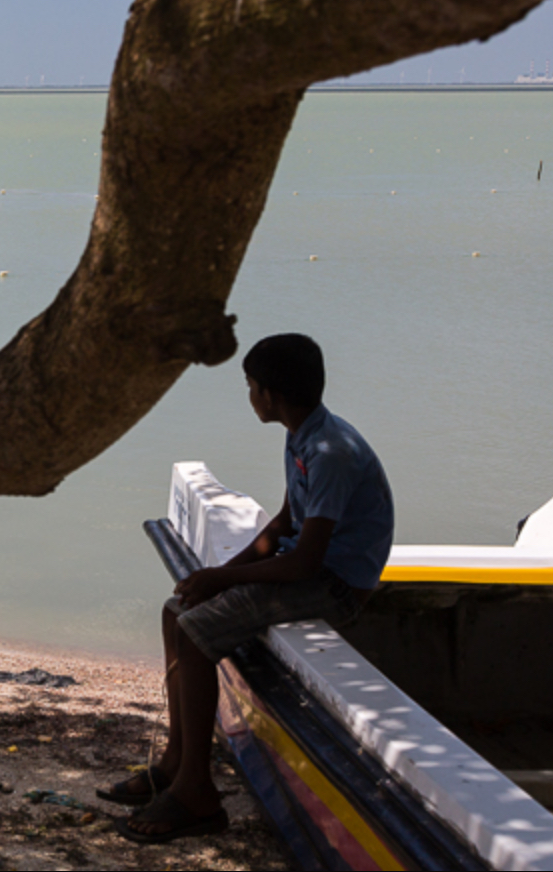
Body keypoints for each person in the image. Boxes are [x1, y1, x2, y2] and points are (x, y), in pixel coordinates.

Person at [104, 333, 394, 843]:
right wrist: (214, 578)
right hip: (310, 568)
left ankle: (198, 793)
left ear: (270, 395)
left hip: (336, 585)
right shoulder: (303, 434)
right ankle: (176, 761)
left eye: (250, 386)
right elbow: (285, 523)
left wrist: (224, 578)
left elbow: (305, 562)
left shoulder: (330, 453)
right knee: (178, 611)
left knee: (194, 634)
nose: (250, 396)